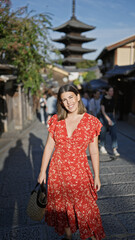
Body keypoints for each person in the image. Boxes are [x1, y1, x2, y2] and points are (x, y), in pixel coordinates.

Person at [38, 84, 105, 240]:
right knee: (62, 206)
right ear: (61, 103)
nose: (68, 102)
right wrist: (42, 172)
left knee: (87, 209)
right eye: (64, 100)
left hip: (79, 172)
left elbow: (94, 151)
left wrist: (97, 175)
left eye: (70, 97)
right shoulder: (56, 120)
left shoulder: (91, 122)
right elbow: (49, 147)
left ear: (78, 97)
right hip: (57, 171)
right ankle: (68, 237)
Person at [99, 86, 120, 156]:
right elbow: (103, 111)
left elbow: (113, 110)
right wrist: (108, 120)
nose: (112, 92)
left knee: (114, 132)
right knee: (103, 131)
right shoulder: (103, 99)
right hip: (104, 116)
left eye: (112, 91)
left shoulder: (113, 99)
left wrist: (113, 119)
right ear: (107, 92)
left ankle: (114, 149)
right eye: (110, 91)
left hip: (111, 116)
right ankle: (102, 146)